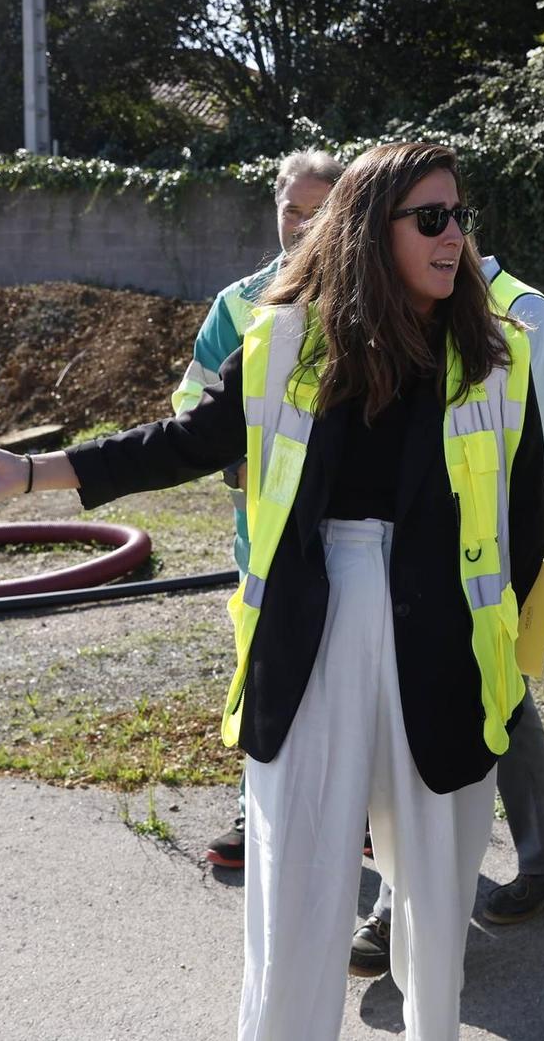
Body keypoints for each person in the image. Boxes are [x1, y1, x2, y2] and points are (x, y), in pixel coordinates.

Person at [0, 142, 544, 1041]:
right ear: (373, 228)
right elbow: (181, 441)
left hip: (443, 644)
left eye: (459, 216)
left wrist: (504, 660)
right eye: (431, 218)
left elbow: (528, 522)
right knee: (299, 886)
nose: (455, 238)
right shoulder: (284, 337)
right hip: (311, 627)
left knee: (437, 895)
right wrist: (25, 474)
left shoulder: (494, 354)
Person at [349, 251, 544, 977]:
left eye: (444, 215)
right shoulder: (394, 302)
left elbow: (542, 441)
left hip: (500, 557)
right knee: (490, 705)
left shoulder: (525, 310)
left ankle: (417, 899)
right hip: (432, 565)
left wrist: (530, 567)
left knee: (488, 703)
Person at [183, 150, 344, 871]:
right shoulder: (236, 304)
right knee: (264, 675)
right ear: (274, 207)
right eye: (293, 209)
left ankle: (363, 814)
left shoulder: (372, 293)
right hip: (265, 542)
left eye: (321, 210)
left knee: (353, 677)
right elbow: (191, 410)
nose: (305, 225)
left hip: (353, 539)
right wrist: (234, 458)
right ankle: (258, 810)